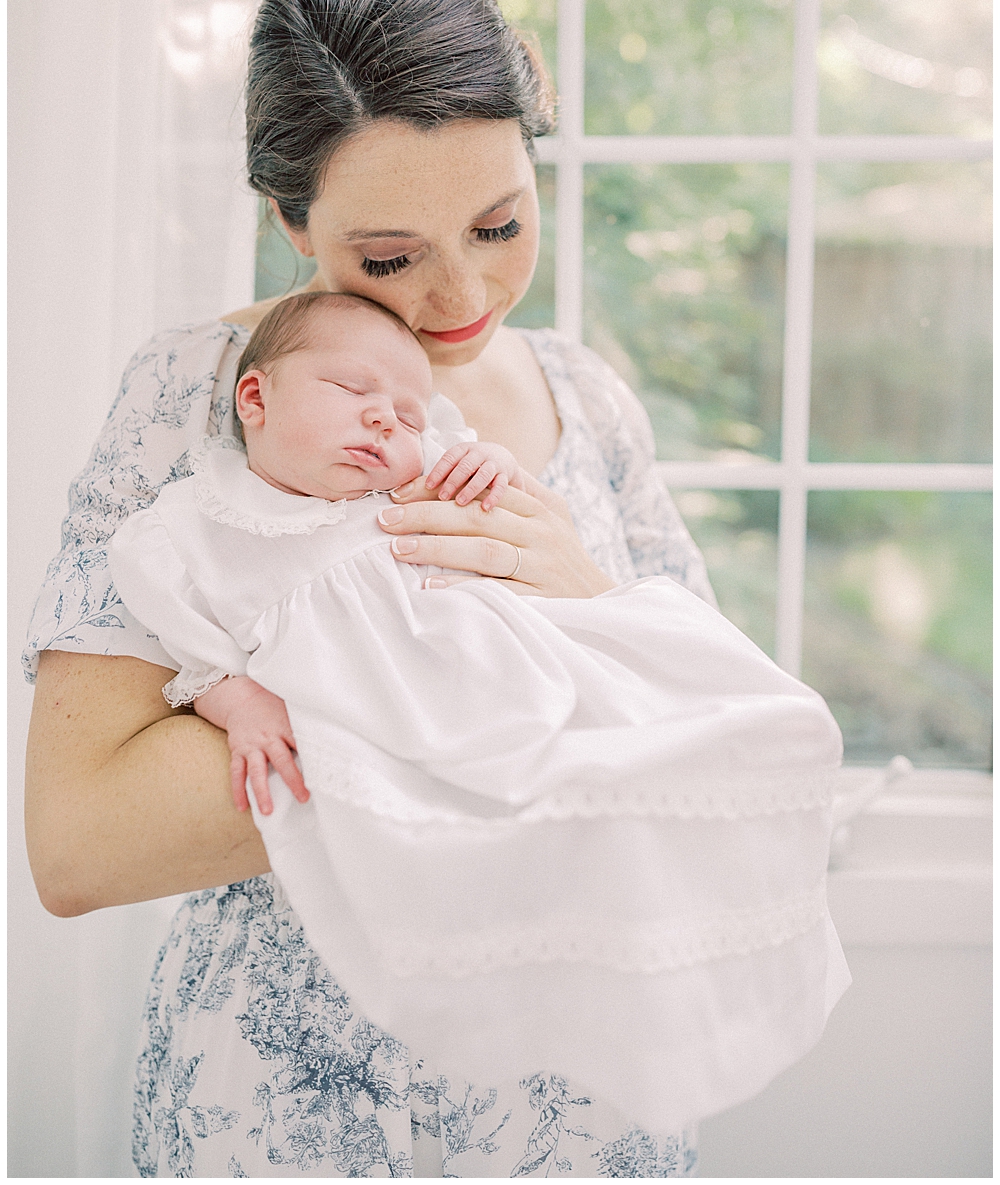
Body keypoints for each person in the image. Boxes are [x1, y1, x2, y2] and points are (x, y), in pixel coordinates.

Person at [24, 0, 844, 1177]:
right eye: (389, 256)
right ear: (288, 219)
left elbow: (702, 746)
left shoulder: (588, 404)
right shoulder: (190, 397)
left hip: (583, 1111)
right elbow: (79, 843)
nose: (458, 296)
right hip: (292, 1111)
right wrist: (467, 713)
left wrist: (583, 597)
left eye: (500, 223)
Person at [107, 287, 846, 1138]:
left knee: (678, 749)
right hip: (399, 731)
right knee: (461, 854)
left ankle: (684, 956)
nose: (387, 420)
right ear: (256, 398)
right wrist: (239, 704)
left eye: (408, 411)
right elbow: (196, 651)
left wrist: (489, 475)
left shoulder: (424, 476)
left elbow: (511, 528)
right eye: (352, 392)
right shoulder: (201, 528)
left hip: (511, 681)